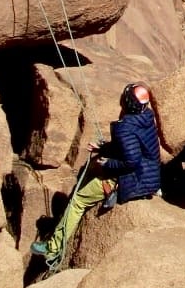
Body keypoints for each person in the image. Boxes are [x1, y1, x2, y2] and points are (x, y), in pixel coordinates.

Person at [32, 82, 161, 272]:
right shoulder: (145, 117)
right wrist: (104, 148)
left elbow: (131, 160)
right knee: (92, 169)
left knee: (77, 201)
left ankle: (53, 248)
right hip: (148, 174)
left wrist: (108, 164)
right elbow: (135, 147)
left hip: (133, 178)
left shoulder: (125, 127)